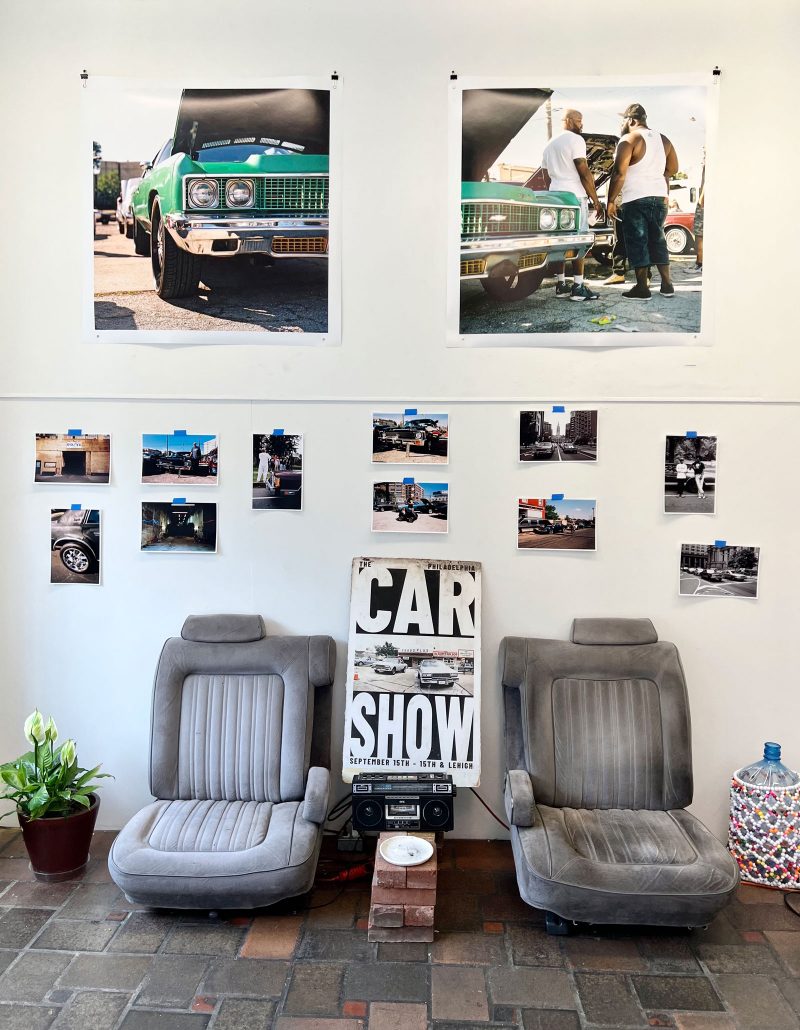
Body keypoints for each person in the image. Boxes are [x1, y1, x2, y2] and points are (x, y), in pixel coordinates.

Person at [607, 103, 678, 301]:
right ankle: (667, 285)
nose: (622, 123)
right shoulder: (664, 139)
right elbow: (673, 168)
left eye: (623, 119)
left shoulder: (628, 139)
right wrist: (653, 177)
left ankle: (642, 288)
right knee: (658, 240)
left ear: (631, 120)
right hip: (658, 198)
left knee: (638, 242)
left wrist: (611, 200)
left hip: (635, 199)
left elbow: (619, 173)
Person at [541, 109, 604, 301]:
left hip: (555, 196)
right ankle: (578, 287)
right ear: (567, 120)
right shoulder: (576, 140)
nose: (581, 124)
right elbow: (583, 171)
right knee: (580, 241)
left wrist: (553, 190)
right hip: (575, 197)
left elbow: (544, 173)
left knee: (560, 241)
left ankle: (561, 285)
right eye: (578, 120)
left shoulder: (549, 144)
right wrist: (595, 199)